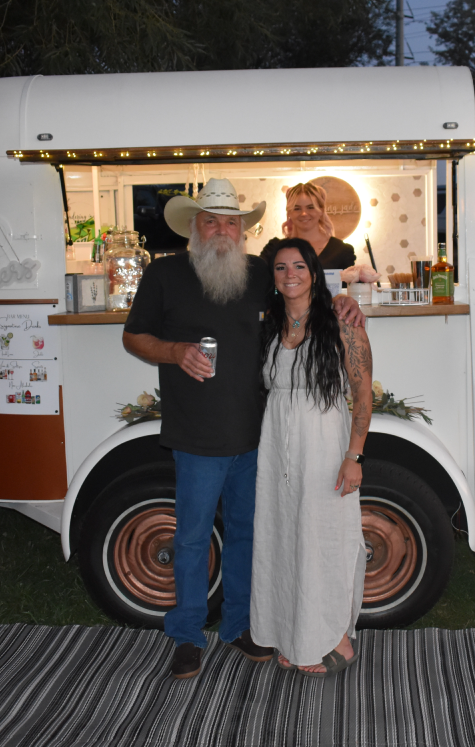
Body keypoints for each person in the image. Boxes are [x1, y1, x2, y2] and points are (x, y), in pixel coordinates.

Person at [122, 179, 364, 680]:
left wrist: (345, 300)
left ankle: (238, 627)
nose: (222, 230)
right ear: (194, 226)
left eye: (232, 221)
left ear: (244, 230)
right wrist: (173, 351)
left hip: (259, 439)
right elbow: (134, 337)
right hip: (195, 436)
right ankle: (187, 636)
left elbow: (306, 288)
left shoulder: (260, 274)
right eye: (211, 220)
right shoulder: (165, 275)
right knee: (190, 539)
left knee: (249, 536)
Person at [251, 237, 372, 677]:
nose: (290, 275)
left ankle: (336, 634)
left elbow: (361, 392)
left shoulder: (341, 320)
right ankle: (295, 631)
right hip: (278, 446)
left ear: (314, 272)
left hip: (324, 442)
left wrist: (353, 455)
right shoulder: (268, 323)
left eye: (299, 266)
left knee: (327, 536)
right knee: (285, 537)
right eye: (281, 268)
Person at [260, 181, 356, 269]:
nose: (304, 213)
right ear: (289, 213)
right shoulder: (274, 249)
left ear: (321, 211)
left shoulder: (341, 251)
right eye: (297, 209)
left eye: (310, 207)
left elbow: (349, 286)